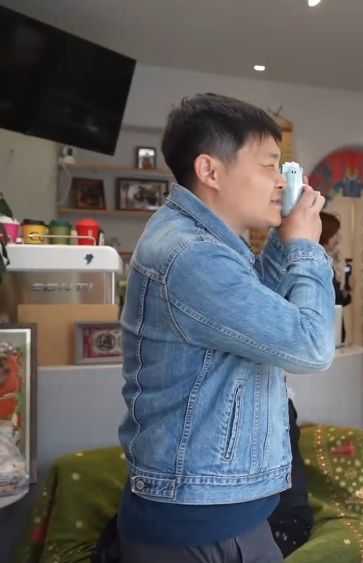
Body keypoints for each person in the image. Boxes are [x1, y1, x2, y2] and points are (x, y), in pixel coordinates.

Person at [115, 93, 335, 563]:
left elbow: (258, 314)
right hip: (194, 523)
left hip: (219, 509)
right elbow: (311, 346)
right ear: (210, 171)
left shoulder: (205, 244)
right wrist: (306, 248)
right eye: (269, 165)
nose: (281, 182)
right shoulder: (191, 256)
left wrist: (285, 239)